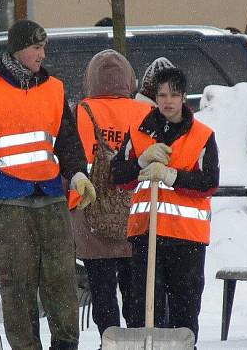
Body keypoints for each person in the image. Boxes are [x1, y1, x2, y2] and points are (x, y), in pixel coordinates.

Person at [0, 19, 96, 350]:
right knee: (18, 284)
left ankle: (65, 344)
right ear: (17, 49)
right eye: (35, 47)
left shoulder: (54, 88)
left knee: (61, 281)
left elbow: (67, 140)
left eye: (44, 47)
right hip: (8, 198)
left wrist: (77, 174)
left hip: (51, 196)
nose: (42, 54)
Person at [111, 68, 219, 344]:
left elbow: (209, 182)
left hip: (187, 238)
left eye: (173, 94)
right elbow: (117, 176)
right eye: (161, 94)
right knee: (145, 311)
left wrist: (172, 176)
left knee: (185, 312)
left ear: (184, 96)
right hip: (147, 236)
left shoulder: (202, 136)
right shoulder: (138, 133)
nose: (167, 100)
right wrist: (141, 162)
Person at [68, 49, 151, 347]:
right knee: (135, 287)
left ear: (91, 79)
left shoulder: (79, 112)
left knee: (102, 288)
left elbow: (67, 160)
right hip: (134, 213)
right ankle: (136, 337)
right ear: (128, 79)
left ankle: (110, 339)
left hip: (90, 214)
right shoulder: (144, 112)